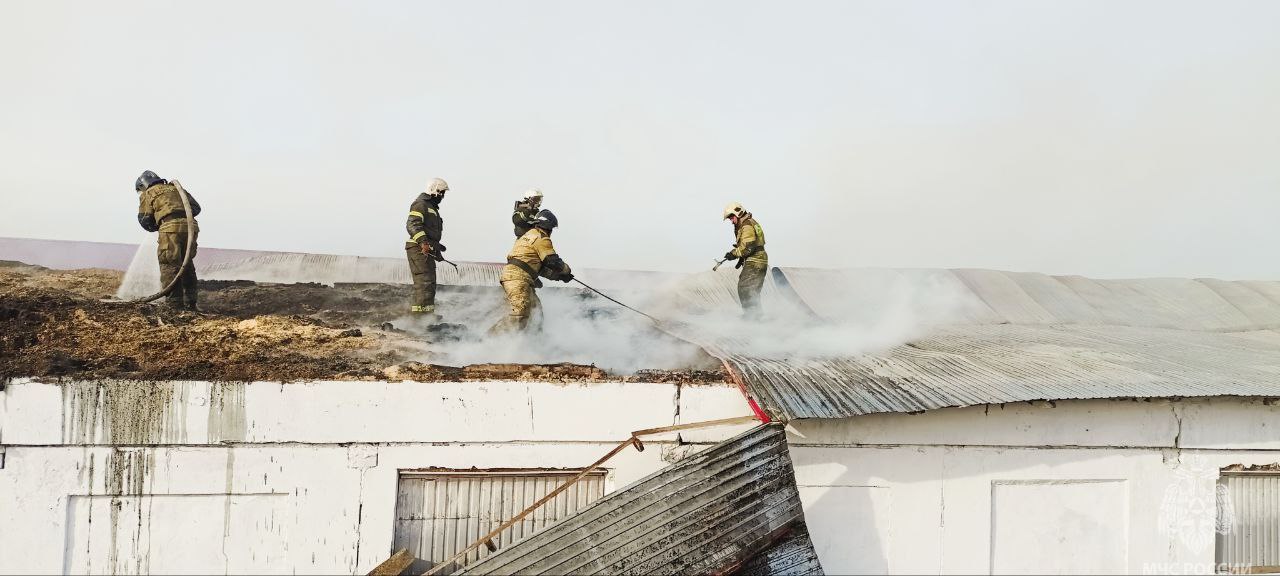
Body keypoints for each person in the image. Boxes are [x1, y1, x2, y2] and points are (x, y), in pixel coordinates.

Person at [490, 209, 573, 334]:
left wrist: (559, 277)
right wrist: (566, 271)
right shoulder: (541, 237)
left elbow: (538, 268)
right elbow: (553, 262)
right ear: (548, 227)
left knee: (536, 315)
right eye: (551, 229)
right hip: (518, 279)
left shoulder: (526, 236)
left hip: (518, 278)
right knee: (519, 315)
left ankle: (533, 345)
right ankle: (487, 341)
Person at [135, 170, 201, 311]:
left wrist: (161, 221)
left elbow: (145, 218)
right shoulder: (176, 188)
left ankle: (175, 305)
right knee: (186, 263)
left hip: (170, 228)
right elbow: (196, 208)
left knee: (169, 264)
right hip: (191, 227)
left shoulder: (149, 193)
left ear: (142, 186)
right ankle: (192, 302)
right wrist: (180, 213)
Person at [405, 178, 448, 316]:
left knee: (430, 284)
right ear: (434, 191)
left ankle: (428, 317)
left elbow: (430, 233)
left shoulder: (432, 208)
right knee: (424, 283)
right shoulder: (420, 204)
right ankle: (419, 320)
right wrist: (423, 242)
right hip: (418, 248)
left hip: (426, 250)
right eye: (441, 193)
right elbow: (413, 224)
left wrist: (436, 249)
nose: (442, 196)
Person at [722, 202, 768, 318]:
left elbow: (748, 247)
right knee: (752, 290)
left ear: (738, 213)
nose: (732, 221)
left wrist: (734, 254)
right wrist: (741, 258)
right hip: (758, 259)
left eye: (732, 217)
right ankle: (757, 316)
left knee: (745, 288)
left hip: (755, 260)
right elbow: (749, 246)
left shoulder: (746, 225)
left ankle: (752, 317)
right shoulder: (749, 222)